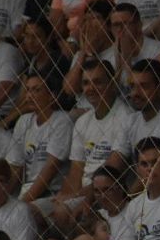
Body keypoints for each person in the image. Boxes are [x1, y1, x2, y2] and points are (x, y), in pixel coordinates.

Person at [53, 59, 135, 227]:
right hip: (82, 193)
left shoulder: (126, 117)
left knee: (62, 213)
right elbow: (76, 169)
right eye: (86, 83)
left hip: (106, 192)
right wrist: (67, 197)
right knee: (33, 211)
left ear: (112, 83)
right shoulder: (82, 122)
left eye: (97, 82)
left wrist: (78, 200)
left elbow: (113, 169)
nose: (90, 89)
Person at [7, 71, 74, 213]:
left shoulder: (62, 121)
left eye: (36, 90)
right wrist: (4, 199)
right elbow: (15, 166)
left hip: (52, 193)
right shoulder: (23, 121)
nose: (30, 96)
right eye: (28, 90)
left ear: (52, 95)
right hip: (26, 190)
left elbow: (50, 168)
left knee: (23, 212)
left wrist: (22, 203)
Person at [105, 4, 160, 96]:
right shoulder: (108, 57)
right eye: (116, 25)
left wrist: (127, 62)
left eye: (126, 23)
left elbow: (147, 92)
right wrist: (118, 65)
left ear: (139, 25)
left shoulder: (159, 50)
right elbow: (110, 96)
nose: (120, 29)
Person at [124, 59, 160, 151]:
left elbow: (157, 164)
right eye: (132, 86)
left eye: (143, 86)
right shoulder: (132, 120)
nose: (135, 93)